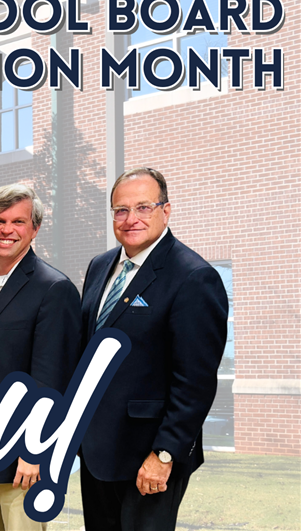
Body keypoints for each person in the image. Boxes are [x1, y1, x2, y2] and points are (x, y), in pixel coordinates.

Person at [79, 168, 228, 530]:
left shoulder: (193, 277)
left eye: (143, 207)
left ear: (166, 210)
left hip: (148, 456)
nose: (131, 219)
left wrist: (165, 454)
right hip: (97, 450)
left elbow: (195, 380)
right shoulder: (100, 267)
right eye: (121, 210)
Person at [0, 184, 81, 531]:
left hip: (20, 456)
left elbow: (53, 379)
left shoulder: (53, 288)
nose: (6, 230)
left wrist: (35, 450)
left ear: (35, 228)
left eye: (18, 221)